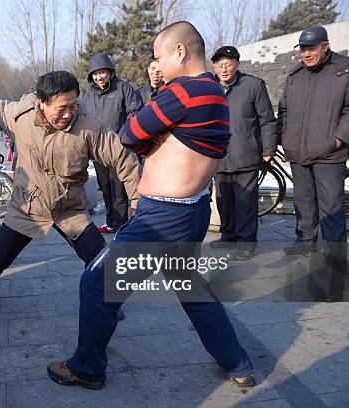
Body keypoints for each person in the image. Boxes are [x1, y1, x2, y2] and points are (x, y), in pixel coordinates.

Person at [47, 21, 255, 390]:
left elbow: (130, 134)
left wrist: (155, 131)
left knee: (97, 282)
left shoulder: (185, 92)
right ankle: (237, 362)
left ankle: (87, 367)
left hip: (163, 216)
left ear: (180, 52)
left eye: (159, 57)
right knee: (191, 289)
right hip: (191, 209)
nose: (156, 66)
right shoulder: (215, 93)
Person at [0, 70, 140, 320]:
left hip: (69, 209)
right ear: (41, 102)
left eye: (73, 105)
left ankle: (108, 300)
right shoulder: (22, 114)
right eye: (62, 107)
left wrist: (138, 201)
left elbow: (124, 159)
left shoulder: (89, 126)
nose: (69, 113)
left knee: (99, 259)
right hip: (27, 207)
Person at [277, 26, 349, 258]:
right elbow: (284, 110)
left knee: (331, 207)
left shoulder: (346, 69)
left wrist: (339, 139)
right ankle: (306, 240)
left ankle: (334, 253)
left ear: (325, 46)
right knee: (303, 202)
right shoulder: (295, 74)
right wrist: (285, 139)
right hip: (298, 152)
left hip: (330, 153)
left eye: (311, 49)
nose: (306, 54)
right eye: (302, 49)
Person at [210, 46, 278, 260]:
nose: (223, 69)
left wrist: (268, 150)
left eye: (227, 64)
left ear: (237, 64)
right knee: (224, 200)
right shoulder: (210, 87)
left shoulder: (253, 85)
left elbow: (267, 120)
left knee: (245, 202)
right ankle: (228, 235)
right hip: (219, 156)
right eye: (219, 65)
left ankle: (247, 242)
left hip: (246, 154)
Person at [79, 53, 142, 234]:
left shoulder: (123, 88)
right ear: (91, 75)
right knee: (105, 188)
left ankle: (121, 225)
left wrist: (123, 139)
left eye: (103, 72)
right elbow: (81, 118)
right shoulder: (87, 95)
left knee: (119, 190)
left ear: (110, 72)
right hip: (98, 151)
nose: (100, 77)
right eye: (96, 73)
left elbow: (133, 113)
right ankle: (110, 221)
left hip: (120, 149)